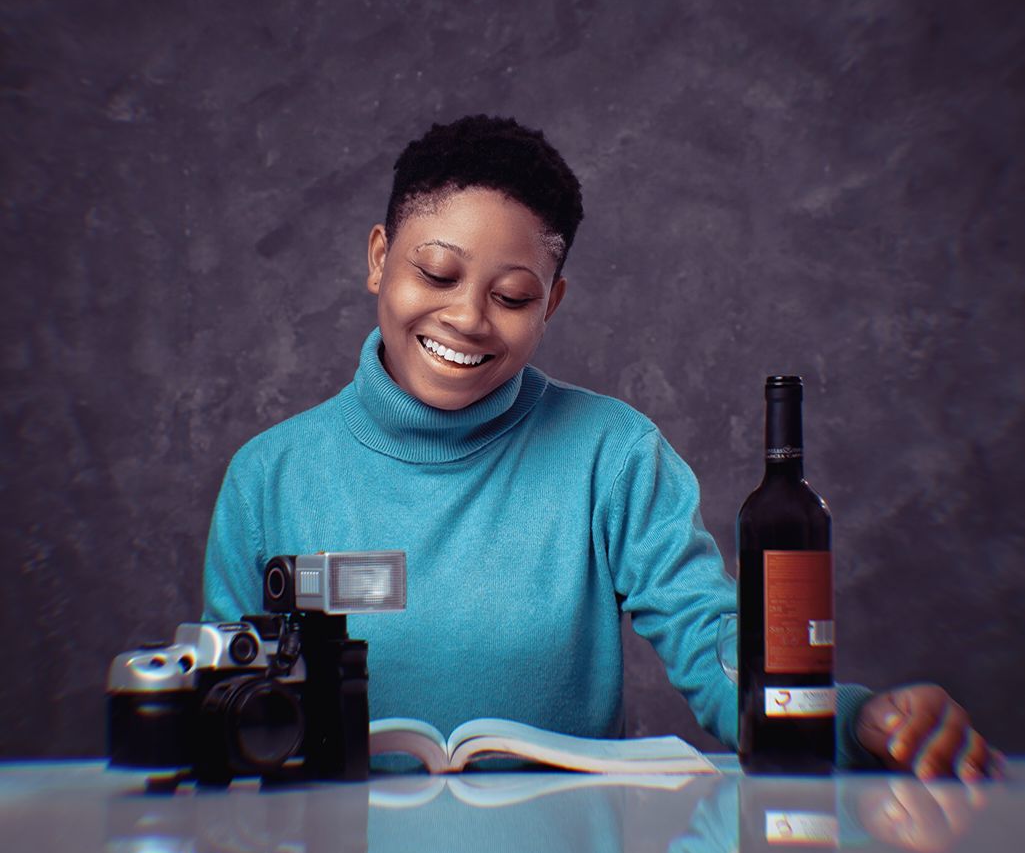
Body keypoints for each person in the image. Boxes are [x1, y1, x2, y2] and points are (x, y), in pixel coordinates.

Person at [203, 115, 1000, 779]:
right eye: (436, 273)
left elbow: (714, 642)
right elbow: (224, 713)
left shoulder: (613, 456)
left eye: (512, 296)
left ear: (551, 302)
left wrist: (858, 719)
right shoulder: (269, 478)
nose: (468, 318)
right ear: (380, 259)